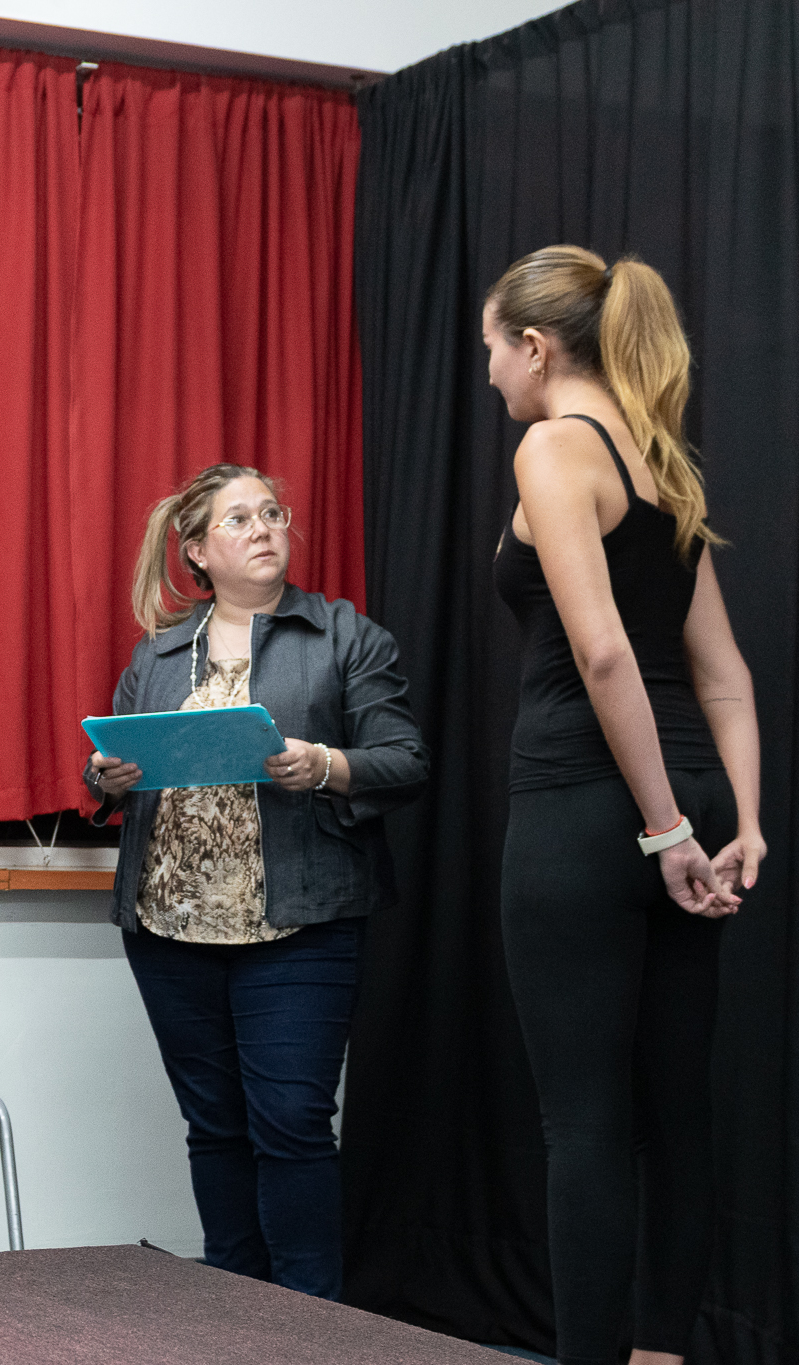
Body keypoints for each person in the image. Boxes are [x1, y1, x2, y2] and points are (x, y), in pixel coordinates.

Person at [483, 247, 763, 1365]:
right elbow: (725, 678)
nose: (490, 373)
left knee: (585, 1122)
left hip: (589, 806)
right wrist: (740, 824)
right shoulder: (660, 465)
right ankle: (659, 1352)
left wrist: (662, 829)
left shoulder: (554, 446)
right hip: (688, 792)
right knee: (673, 1112)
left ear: (535, 346)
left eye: (492, 350)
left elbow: (601, 654)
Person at [84, 467, 427, 1300]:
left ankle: (310, 1325)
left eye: (271, 512)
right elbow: (112, 770)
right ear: (198, 551)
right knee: (215, 1126)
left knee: (293, 1124)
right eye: (238, 519)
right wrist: (106, 776)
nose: (265, 527)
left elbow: (405, 759)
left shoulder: (344, 636)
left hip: (300, 922)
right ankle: (232, 1314)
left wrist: (326, 763)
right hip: (169, 926)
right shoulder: (158, 653)